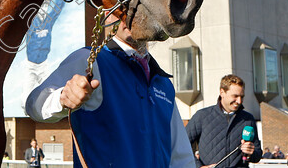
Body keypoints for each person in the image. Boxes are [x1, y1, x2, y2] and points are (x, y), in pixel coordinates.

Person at [25, 14, 195, 167]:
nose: (130, 14)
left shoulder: (164, 84)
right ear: (107, 15)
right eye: (122, 5)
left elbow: (181, 157)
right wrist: (62, 98)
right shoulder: (89, 60)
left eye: (138, 7)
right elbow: (34, 105)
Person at [186, 74, 262, 167]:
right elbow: (182, 145)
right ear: (222, 92)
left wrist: (251, 153)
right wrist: (198, 166)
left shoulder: (248, 119)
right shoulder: (201, 116)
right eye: (235, 96)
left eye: (242, 97)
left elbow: (257, 154)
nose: (239, 101)